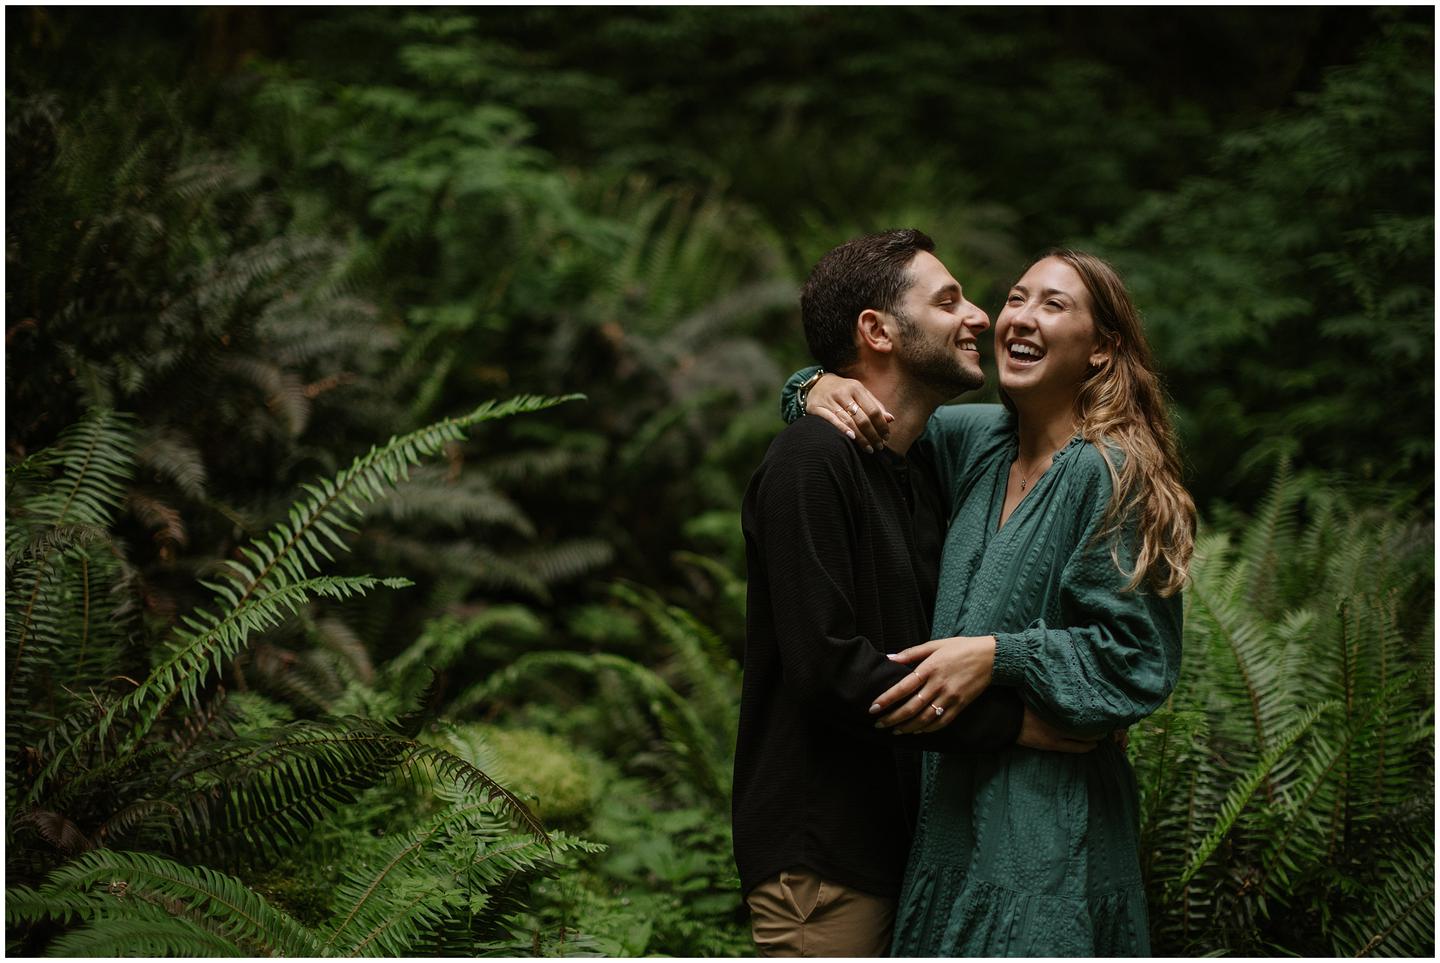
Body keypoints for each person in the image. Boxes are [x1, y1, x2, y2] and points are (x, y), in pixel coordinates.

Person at [783, 248, 1196, 956]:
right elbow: (879, 407)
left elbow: (1138, 659)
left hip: (1051, 831)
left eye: (1053, 305)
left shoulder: (1113, 472)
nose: (1020, 318)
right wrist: (812, 387)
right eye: (1016, 297)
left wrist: (1001, 655)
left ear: (1101, 351)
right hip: (949, 817)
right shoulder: (977, 443)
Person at [735, 231, 1099, 957]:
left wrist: (809, 380)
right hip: (824, 861)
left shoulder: (917, 467)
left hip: (909, 848)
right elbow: (829, 669)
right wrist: (1016, 724)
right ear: (878, 331)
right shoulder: (811, 461)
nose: (981, 316)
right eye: (948, 300)